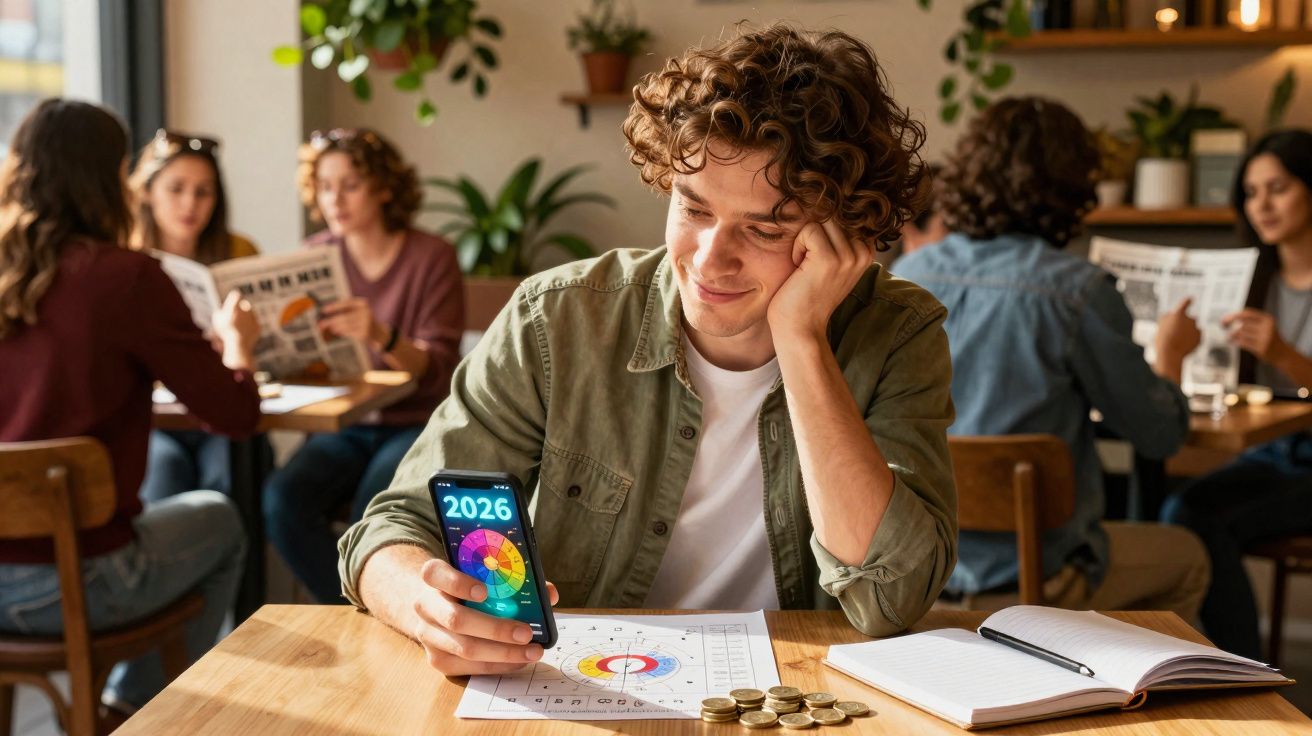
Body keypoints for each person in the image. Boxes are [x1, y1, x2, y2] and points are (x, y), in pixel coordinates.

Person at [338, 23, 958, 677]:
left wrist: (801, 338)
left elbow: (891, 596)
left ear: (841, 235)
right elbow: (390, 528)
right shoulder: (557, 318)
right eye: (693, 209)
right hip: (588, 690)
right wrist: (424, 604)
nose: (712, 258)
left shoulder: (899, 333)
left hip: (794, 697)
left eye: (765, 227)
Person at [894, 97, 1210, 619]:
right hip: (1036, 581)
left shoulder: (907, 276)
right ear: (1073, 188)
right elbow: (1158, 435)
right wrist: (1172, 356)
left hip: (912, 579)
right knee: (1189, 558)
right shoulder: (1077, 291)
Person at [0, 99, 261, 718]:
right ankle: (136, 710)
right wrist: (240, 349)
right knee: (220, 520)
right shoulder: (126, 278)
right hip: (77, 581)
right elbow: (233, 415)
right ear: (109, 180)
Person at [262, 127, 465, 603]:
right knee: (281, 500)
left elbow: (438, 369)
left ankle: (375, 610)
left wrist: (378, 333)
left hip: (414, 424)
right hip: (342, 426)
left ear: (384, 187)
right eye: (325, 186)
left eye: (350, 184)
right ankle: (357, 611)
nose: (335, 198)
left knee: (375, 513)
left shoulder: (431, 257)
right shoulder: (314, 256)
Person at [1161, 129, 1312, 659]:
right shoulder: (1255, 278)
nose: (1262, 205)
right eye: (1251, 193)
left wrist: (1286, 357)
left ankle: (1241, 666)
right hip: (1271, 452)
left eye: (1278, 188)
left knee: (1192, 516)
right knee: (1173, 506)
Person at [129, 128, 263, 503]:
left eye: (203, 192)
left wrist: (241, 341)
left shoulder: (238, 250)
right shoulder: (127, 262)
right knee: (163, 468)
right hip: (155, 420)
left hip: (220, 408)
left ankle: (231, 559)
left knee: (229, 467)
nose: (190, 204)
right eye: (176, 189)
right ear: (147, 191)